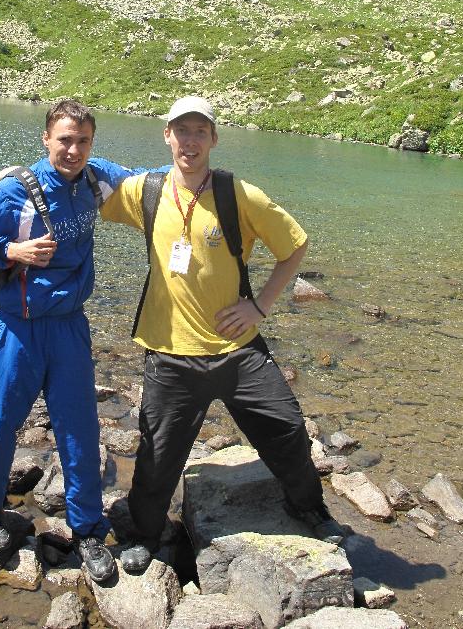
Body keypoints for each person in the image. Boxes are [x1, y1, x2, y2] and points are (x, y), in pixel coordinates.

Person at [100, 95, 345, 572]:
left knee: (288, 428)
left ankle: (308, 507)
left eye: (200, 131)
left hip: (238, 350)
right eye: (181, 130)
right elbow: (79, 179)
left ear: (214, 138)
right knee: (157, 454)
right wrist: (17, 178)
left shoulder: (238, 195)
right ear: (167, 136)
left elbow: (294, 245)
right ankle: (147, 533)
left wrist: (260, 305)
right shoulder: (144, 191)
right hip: (169, 353)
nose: (190, 141)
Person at [0, 99, 140, 582]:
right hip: (18, 328)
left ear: (92, 143)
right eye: (64, 140)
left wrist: (199, 167)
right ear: (46, 139)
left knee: (79, 429)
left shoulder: (96, 178)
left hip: (70, 327)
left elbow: (147, 180)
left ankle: (87, 530)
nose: (73, 150)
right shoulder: (15, 190)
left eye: (82, 141)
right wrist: (12, 250)